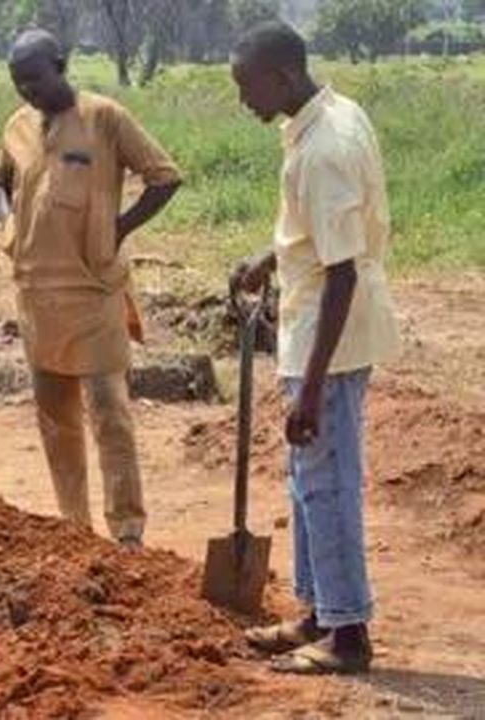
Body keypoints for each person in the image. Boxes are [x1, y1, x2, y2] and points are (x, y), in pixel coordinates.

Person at [229, 21, 399, 676]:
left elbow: (343, 269)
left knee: (326, 486)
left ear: (283, 76)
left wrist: (311, 388)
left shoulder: (324, 146)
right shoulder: (328, 116)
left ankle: (348, 632)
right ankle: (320, 612)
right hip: (313, 330)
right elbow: (321, 233)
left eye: (248, 86)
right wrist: (268, 259)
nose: (244, 100)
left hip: (330, 340)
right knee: (307, 481)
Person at [0, 28, 182, 547]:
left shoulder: (105, 118)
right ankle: (73, 528)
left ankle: (127, 531)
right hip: (36, 297)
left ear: (61, 64)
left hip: (94, 293)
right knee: (56, 421)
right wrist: (8, 225)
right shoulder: (17, 125)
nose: (26, 90)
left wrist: (116, 228)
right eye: (17, 82)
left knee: (110, 415)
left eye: (34, 78)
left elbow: (165, 177)